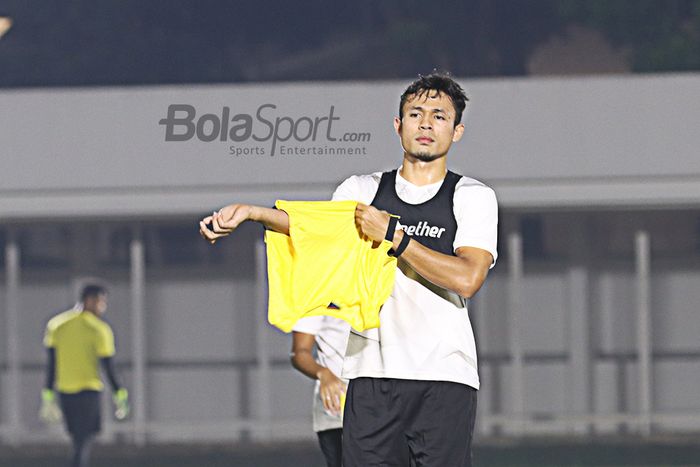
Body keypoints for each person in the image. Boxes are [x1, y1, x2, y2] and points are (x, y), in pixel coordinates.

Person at [199, 72, 498, 467]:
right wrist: (253, 213)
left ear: (456, 131)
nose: (426, 123)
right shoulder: (362, 190)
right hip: (370, 375)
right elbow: (315, 229)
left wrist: (395, 236)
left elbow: (467, 278)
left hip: (444, 376)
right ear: (398, 125)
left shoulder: (471, 196)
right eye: (415, 113)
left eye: (439, 116)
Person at [41, 284, 130, 467]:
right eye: (101, 302)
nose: (102, 306)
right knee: (84, 439)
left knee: (78, 438)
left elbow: (51, 364)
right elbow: (108, 365)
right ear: (90, 300)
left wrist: (48, 395)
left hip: (65, 391)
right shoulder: (100, 329)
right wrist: (119, 393)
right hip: (89, 390)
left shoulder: (56, 325)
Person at [290, 316, 350, 467]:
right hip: (337, 402)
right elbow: (299, 352)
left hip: (385, 400)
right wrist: (323, 373)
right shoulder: (318, 297)